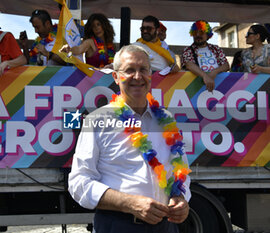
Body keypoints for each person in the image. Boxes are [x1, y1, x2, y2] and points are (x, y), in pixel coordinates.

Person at [68, 45, 191, 233]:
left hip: (165, 227)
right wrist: (129, 203)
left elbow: (180, 170)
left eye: (143, 70)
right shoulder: (97, 120)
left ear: (151, 75)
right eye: (129, 70)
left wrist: (181, 198)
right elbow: (78, 183)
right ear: (116, 77)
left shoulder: (166, 119)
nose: (137, 77)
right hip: (117, 225)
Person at [182, 20, 229, 92]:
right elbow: (189, 64)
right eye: (195, 32)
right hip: (196, 88)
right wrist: (205, 76)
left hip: (219, 86)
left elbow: (226, 65)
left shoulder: (216, 48)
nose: (197, 35)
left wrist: (215, 72)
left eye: (201, 32)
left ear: (208, 34)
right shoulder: (188, 50)